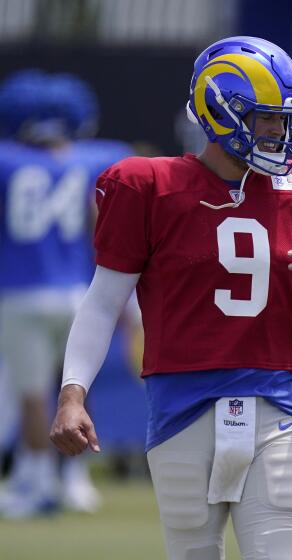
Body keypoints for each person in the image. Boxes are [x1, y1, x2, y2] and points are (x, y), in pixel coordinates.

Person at [50, 36, 292, 560]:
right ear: (221, 112)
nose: (279, 133)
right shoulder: (147, 184)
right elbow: (103, 301)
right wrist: (72, 392)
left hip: (275, 404)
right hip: (180, 410)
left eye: (284, 120)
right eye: (266, 118)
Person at [0, 69, 132, 519]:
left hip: (20, 294)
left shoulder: (8, 161)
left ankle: (35, 481)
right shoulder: (93, 159)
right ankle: (74, 479)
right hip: (77, 290)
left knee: (33, 393)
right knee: (76, 382)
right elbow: (102, 227)